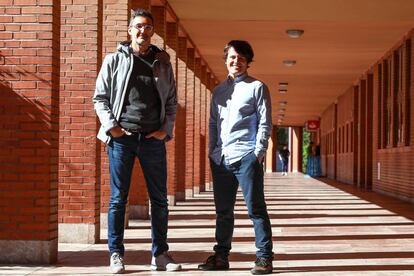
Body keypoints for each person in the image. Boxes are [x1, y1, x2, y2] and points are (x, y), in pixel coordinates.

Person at [93, 8, 181, 274]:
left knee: (160, 200)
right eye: (138, 26)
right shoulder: (114, 60)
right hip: (123, 139)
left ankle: (160, 255)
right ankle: (116, 254)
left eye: (148, 27)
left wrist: (165, 130)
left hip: (153, 139)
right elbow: (100, 98)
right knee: (118, 199)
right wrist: (113, 128)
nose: (143, 31)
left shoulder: (163, 62)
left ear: (153, 32)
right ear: (130, 30)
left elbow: (172, 102)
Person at [198, 40, 273, 275]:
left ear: (248, 61)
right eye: (232, 57)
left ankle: (264, 258)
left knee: (256, 209)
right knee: (223, 212)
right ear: (226, 60)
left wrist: (258, 153)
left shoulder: (257, 87)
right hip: (222, 159)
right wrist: (213, 151)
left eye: (241, 58)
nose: (236, 62)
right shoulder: (218, 91)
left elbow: (265, 122)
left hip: (246, 157)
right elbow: (213, 123)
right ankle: (221, 257)